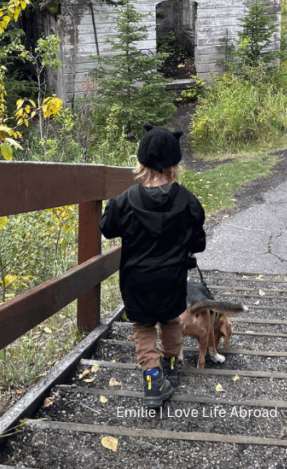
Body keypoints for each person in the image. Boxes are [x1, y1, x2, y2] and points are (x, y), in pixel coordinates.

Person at [99, 123, 207, 408]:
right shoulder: (187, 201)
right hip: (171, 279)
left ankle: (152, 376)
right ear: (175, 166)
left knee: (143, 326)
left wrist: (112, 205)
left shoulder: (126, 201)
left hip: (136, 281)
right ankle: (170, 361)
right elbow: (198, 243)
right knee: (171, 320)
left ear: (140, 162)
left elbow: (107, 229)